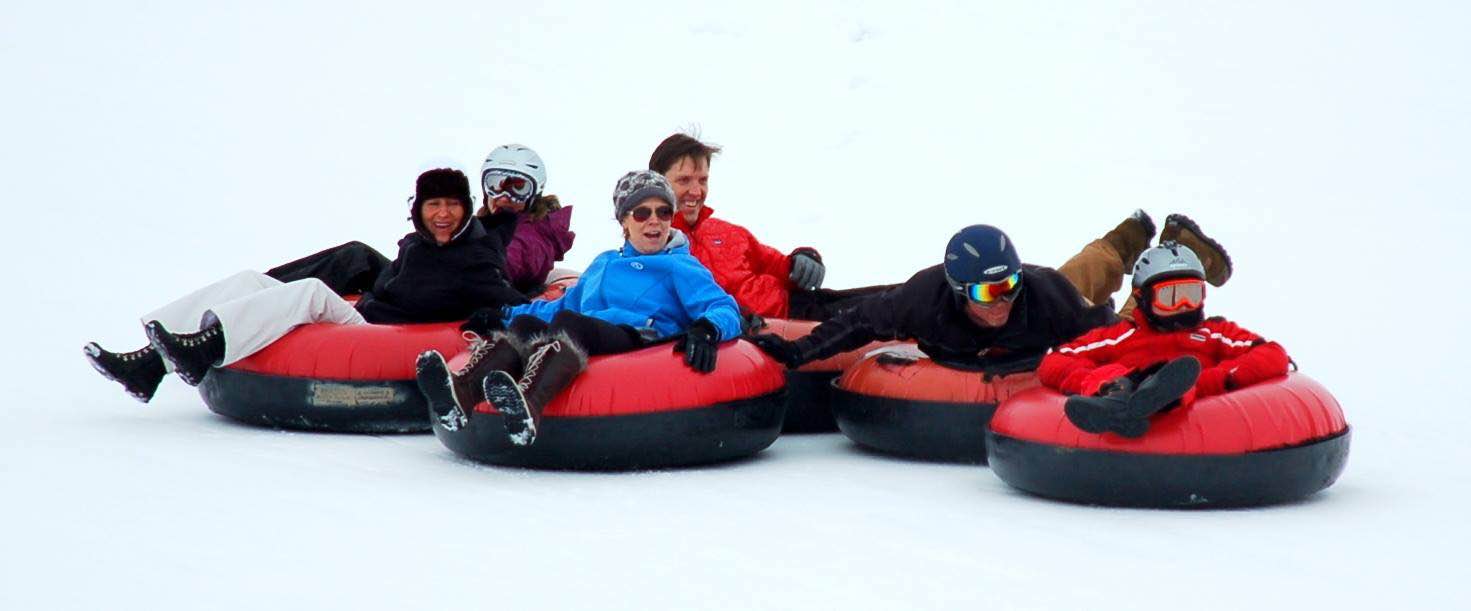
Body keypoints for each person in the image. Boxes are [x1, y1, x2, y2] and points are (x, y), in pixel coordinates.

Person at [85, 169, 527, 403]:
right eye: (434, 205)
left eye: (452, 205)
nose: (443, 215)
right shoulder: (415, 244)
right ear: (420, 210)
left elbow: (507, 298)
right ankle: (149, 360)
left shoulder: (476, 257)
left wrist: (512, 310)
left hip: (380, 331)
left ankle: (204, 347)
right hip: (369, 313)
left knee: (311, 290)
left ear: (467, 210)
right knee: (249, 280)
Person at [415, 170, 743, 446]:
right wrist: (505, 315)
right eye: (642, 213)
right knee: (530, 328)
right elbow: (560, 306)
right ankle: (464, 392)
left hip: (641, 336)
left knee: (573, 324)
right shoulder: (604, 263)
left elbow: (721, 306)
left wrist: (708, 328)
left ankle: (529, 404)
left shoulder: (679, 265)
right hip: (590, 331)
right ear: (624, 221)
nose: (654, 221)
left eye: (663, 212)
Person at [747, 224, 1119, 374]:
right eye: (986, 293)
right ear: (959, 290)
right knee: (1078, 275)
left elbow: (1116, 333)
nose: (1002, 301)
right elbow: (858, 321)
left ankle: (1135, 239)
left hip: (1058, 292)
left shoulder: (1046, 298)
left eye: (1008, 286)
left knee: (1091, 277)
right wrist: (798, 352)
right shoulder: (924, 300)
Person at [1037, 242, 1290, 438]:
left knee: (1182, 376)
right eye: (1169, 297)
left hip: (1192, 397)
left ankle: (1158, 395)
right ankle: (1117, 399)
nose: (1182, 307)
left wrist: (1217, 378)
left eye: (1191, 294)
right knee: (1118, 376)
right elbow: (1056, 360)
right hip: (1121, 386)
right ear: (1142, 297)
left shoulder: (1212, 333)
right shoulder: (1121, 336)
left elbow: (1271, 354)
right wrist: (1101, 379)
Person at [265, 144, 575, 297]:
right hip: (438, 280)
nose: (504, 195)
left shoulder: (534, 234)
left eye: (517, 187)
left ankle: (270, 291)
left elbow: (503, 265)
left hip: (450, 289)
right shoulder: (488, 223)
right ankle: (267, 287)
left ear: (535, 192)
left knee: (356, 258)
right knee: (356, 256)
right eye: (496, 184)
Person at [650, 133, 887, 321]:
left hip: (799, 309)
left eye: (703, 180)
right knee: (884, 315)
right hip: (762, 333)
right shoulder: (653, 248)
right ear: (659, 183)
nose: (696, 191)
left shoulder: (726, 232)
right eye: (684, 180)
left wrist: (804, 259)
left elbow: (781, 268)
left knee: (896, 299)